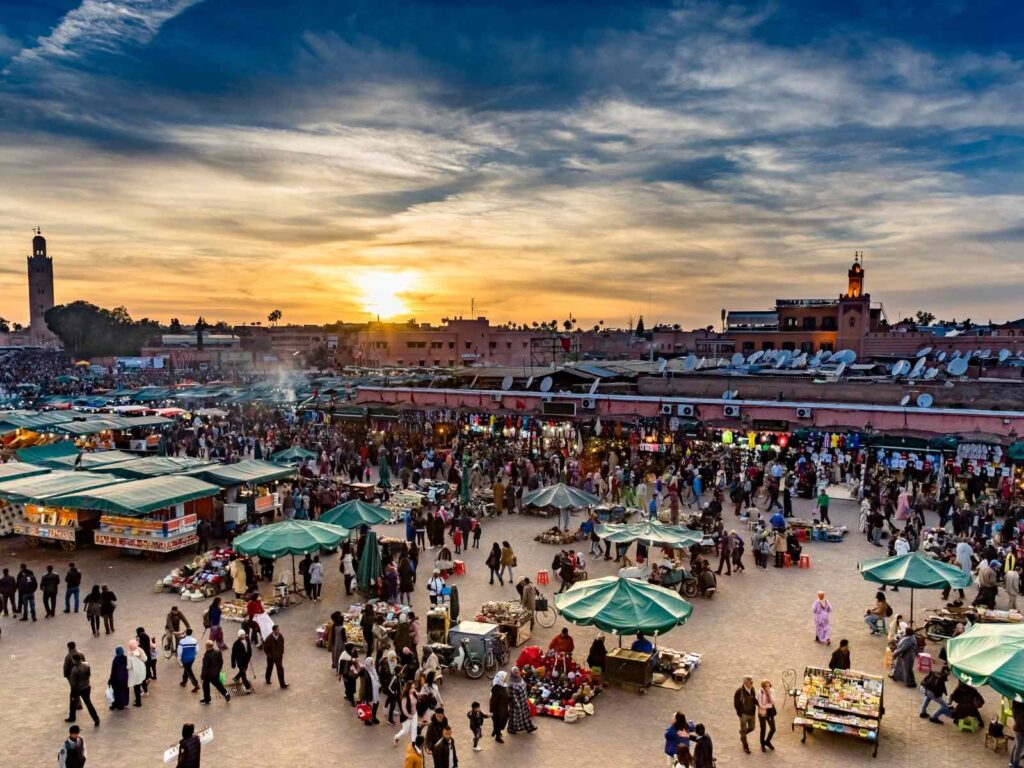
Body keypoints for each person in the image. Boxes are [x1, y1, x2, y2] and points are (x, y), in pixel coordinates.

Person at [67, 653, 101, 726]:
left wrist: (73, 692)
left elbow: (73, 683)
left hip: (79, 688)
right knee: (88, 703)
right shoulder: (86, 665)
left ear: (75, 660)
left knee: (72, 702)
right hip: (87, 686)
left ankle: (72, 717)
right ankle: (96, 718)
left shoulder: (74, 670)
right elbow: (89, 674)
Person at [199, 639, 231, 704]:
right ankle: (226, 693)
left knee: (206, 686)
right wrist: (220, 669)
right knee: (218, 684)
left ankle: (207, 699)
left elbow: (205, 667)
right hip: (216, 672)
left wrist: (202, 676)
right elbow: (221, 661)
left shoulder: (207, 656)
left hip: (208, 675)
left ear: (207, 646)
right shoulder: (218, 652)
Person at [506, 667, 536, 734]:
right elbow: (513, 696)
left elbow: (524, 685)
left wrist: (530, 687)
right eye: (515, 672)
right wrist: (517, 705)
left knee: (526, 715)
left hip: (523, 701)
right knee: (515, 718)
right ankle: (511, 728)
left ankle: (529, 727)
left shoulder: (520, 679)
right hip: (516, 704)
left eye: (517, 671)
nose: (517, 673)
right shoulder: (511, 685)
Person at [733, 676, 757, 754]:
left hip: (752, 713)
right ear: (745, 683)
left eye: (752, 682)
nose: (752, 684)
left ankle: (742, 734)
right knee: (743, 730)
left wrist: (759, 704)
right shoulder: (739, 692)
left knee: (752, 727)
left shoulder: (752, 689)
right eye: (751, 682)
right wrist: (740, 713)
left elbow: (754, 699)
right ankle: (745, 745)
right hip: (743, 715)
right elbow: (736, 704)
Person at [890, 623, 918, 687]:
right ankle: (896, 676)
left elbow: (902, 648)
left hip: (908, 656)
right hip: (904, 655)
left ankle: (911, 683)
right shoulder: (910, 636)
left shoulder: (909, 640)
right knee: (898, 666)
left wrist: (894, 653)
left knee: (907, 669)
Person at [357, 656, 381, 725]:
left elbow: (376, 679)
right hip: (367, 691)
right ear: (367, 663)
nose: (372, 664)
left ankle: (373, 717)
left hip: (375, 691)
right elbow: (358, 675)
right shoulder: (364, 671)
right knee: (366, 705)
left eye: (372, 662)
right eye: (371, 663)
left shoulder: (373, 669)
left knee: (376, 703)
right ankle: (366, 720)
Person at [756, 679, 777, 751]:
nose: (768, 688)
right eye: (766, 686)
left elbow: (773, 702)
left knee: (773, 729)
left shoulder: (772, 691)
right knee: (763, 730)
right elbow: (760, 705)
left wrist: (769, 694)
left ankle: (767, 741)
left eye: (769, 686)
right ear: (763, 687)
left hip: (770, 713)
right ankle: (762, 744)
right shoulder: (760, 693)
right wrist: (769, 705)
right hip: (762, 713)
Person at [489, 670, 509, 743]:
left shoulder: (504, 685)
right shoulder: (496, 688)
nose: (506, 679)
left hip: (503, 707)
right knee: (498, 722)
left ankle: (496, 731)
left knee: (503, 720)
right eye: (504, 677)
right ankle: (497, 736)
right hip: (498, 710)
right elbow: (493, 701)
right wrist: (491, 711)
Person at [177, 627, 200, 691]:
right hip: (192, 658)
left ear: (186, 633)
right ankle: (184, 682)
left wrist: (179, 659)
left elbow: (179, 652)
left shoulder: (182, 641)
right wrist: (193, 655)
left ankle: (196, 684)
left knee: (189, 671)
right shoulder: (194, 640)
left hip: (185, 659)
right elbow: (197, 650)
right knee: (187, 669)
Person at [127, 640, 148, 706]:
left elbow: (129, 666)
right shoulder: (139, 650)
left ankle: (138, 702)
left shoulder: (129, 654)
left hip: (135, 673)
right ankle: (145, 692)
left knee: (136, 687)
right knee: (142, 681)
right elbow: (145, 659)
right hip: (142, 670)